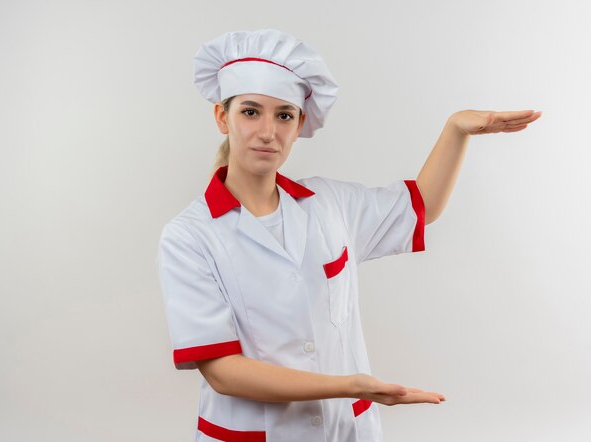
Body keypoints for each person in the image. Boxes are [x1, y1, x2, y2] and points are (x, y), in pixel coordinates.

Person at [156, 28, 541, 442]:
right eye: (251, 111)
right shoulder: (188, 237)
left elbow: (421, 206)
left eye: (284, 114)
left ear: (300, 122)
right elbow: (223, 372)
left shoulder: (329, 203)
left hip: (345, 430)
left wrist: (456, 130)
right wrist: (350, 386)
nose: (268, 131)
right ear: (221, 117)